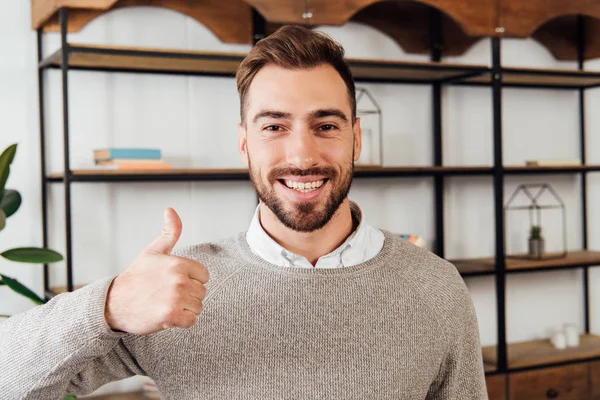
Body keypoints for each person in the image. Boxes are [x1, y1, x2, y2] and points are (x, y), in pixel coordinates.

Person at [0, 25, 488, 399]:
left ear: (356, 137)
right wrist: (105, 307)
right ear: (244, 144)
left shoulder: (435, 286)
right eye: (274, 126)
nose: (302, 154)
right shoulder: (177, 288)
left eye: (326, 125)